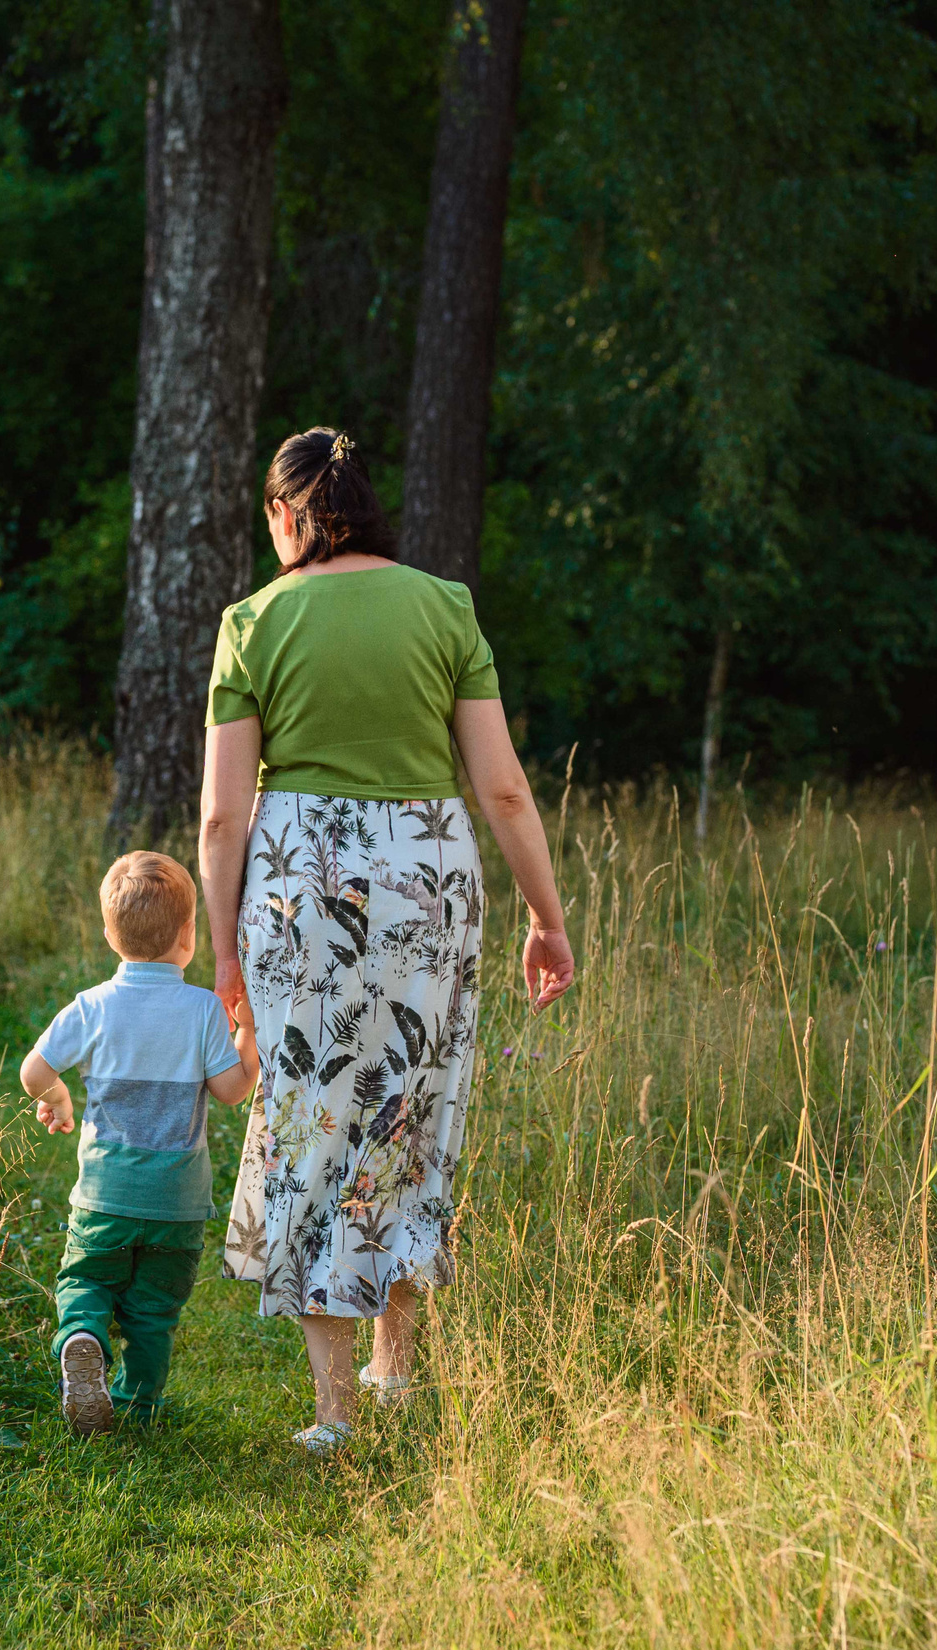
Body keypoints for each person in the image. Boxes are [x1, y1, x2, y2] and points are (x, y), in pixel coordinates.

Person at [201, 427, 575, 1455]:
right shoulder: (445, 606)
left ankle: (334, 1415)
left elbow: (223, 818)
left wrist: (226, 952)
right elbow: (503, 789)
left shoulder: (252, 622)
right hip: (428, 879)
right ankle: (393, 1370)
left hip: (300, 888)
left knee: (310, 1118)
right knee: (408, 1107)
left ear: (287, 514)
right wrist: (546, 918)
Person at [21, 851, 261, 1436]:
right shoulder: (203, 1009)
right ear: (188, 935)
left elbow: (34, 1071)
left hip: (105, 1193)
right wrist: (249, 1033)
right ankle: (137, 1407)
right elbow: (232, 1091)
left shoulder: (92, 1007)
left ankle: (82, 1336)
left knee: (86, 1281)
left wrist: (59, 1100)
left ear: (110, 935)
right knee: (154, 1312)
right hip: (176, 1201)